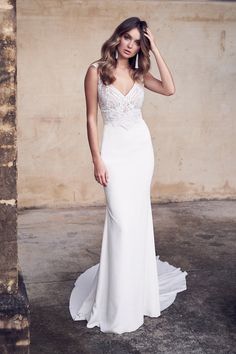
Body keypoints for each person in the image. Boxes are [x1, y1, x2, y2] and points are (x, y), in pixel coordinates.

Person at [69, 17, 187, 334]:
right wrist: (97, 159)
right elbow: (91, 120)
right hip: (114, 153)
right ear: (117, 38)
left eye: (136, 41)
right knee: (120, 221)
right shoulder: (96, 71)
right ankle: (116, 303)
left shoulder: (139, 74)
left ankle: (138, 295)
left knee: (136, 221)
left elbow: (170, 88)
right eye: (125, 37)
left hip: (140, 152)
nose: (129, 44)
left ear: (140, 45)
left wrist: (157, 47)